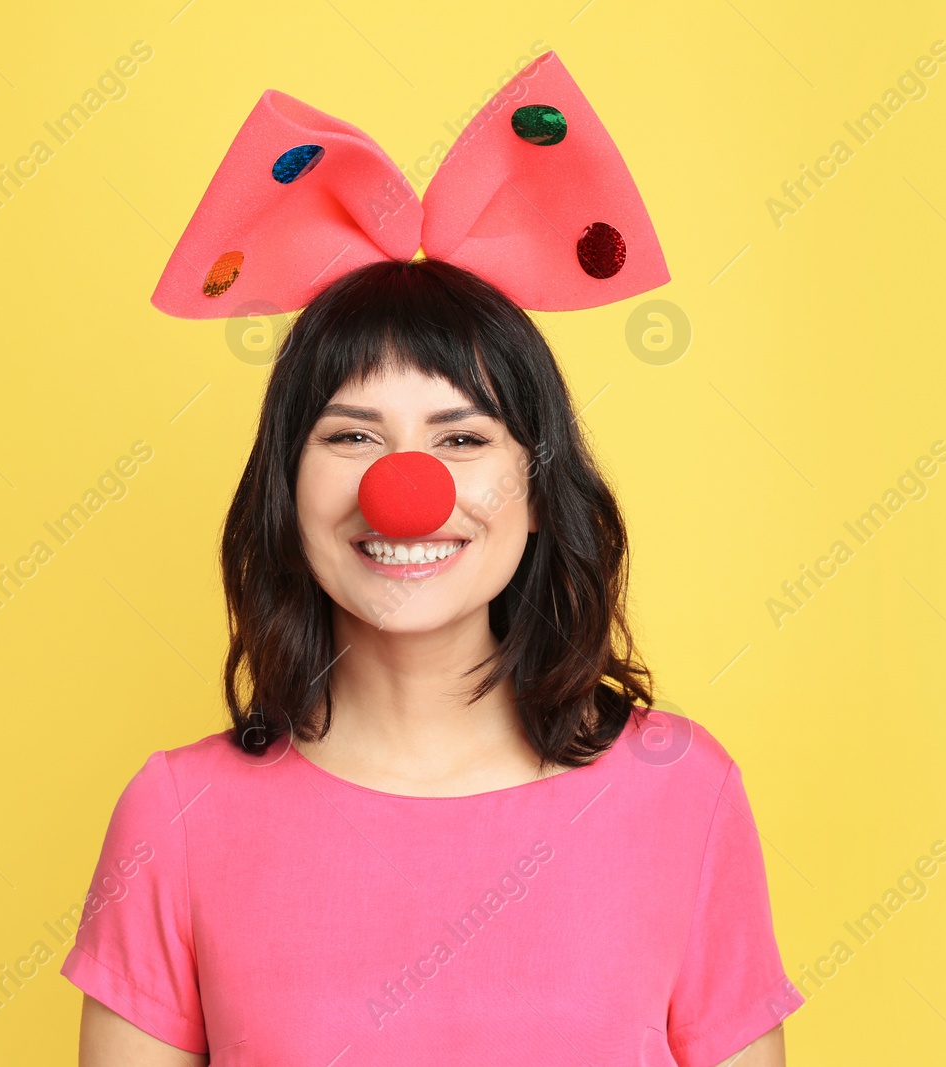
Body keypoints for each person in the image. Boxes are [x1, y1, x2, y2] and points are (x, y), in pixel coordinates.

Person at [59, 257, 804, 1065]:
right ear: (287, 486)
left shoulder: (683, 791)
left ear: (538, 490)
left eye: (461, 436)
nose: (403, 486)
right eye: (351, 435)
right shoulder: (175, 814)